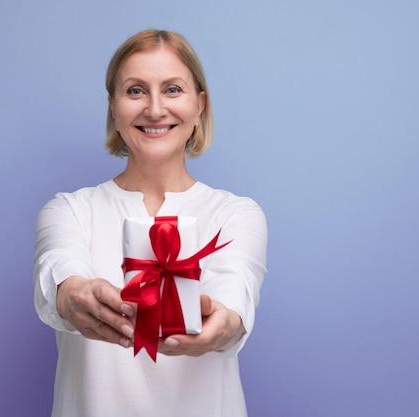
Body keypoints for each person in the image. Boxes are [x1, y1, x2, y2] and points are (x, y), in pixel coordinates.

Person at [33, 29, 268, 417]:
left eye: (173, 89)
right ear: (113, 106)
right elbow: (59, 272)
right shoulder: (68, 210)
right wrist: (76, 296)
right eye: (136, 90)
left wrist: (222, 321)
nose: (155, 109)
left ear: (200, 105)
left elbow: (235, 290)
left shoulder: (236, 215)